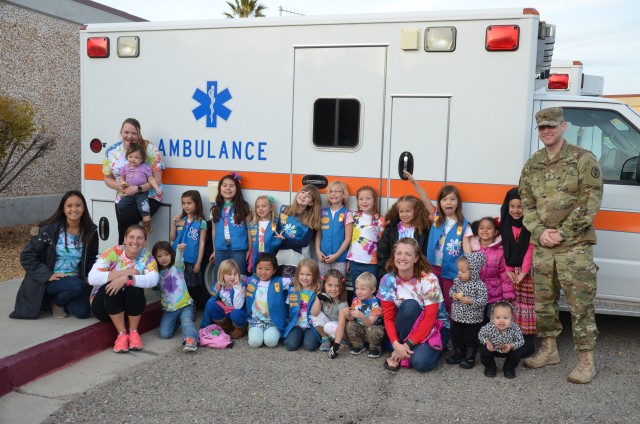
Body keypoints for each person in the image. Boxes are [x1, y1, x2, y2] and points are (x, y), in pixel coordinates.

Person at [519, 107, 603, 384]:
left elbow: (589, 202)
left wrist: (562, 234)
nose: (546, 131)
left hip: (575, 247)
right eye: (542, 128)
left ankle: (586, 362)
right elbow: (526, 204)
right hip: (543, 247)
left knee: (581, 305)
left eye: (551, 126)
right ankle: (549, 351)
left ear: (563, 127)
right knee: (544, 303)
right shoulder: (533, 164)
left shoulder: (582, 159)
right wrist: (541, 232)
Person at [10, 191, 98, 320]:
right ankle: (57, 303)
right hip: (51, 280)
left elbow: (91, 258)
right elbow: (27, 256)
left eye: (78, 205)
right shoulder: (49, 229)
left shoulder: (90, 231)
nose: (74, 209)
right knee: (75, 285)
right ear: (63, 209)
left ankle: (62, 298)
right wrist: (47, 275)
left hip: (75, 279)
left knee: (83, 312)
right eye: (69, 206)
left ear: (84, 208)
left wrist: (90, 277)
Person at [378, 237, 450, 373]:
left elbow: (430, 318)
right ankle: (404, 351)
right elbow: (388, 317)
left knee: (420, 363)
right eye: (399, 253)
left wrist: (407, 344)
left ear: (416, 258)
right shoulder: (387, 280)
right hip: (408, 325)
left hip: (435, 326)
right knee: (409, 306)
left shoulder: (429, 279)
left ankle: (409, 351)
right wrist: (396, 343)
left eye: (408, 254)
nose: (402, 257)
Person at [88, 224, 159, 353]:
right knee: (113, 286)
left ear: (145, 241)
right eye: (131, 237)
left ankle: (133, 333)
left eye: (140, 238)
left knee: (135, 287)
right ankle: (121, 334)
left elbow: (153, 280)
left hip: (128, 309)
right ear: (125, 239)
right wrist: (124, 273)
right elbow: (92, 278)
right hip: (103, 306)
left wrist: (127, 278)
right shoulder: (113, 252)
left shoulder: (147, 258)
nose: (135, 241)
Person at [103, 118, 164, 244]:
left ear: (139, 134)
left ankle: (128, 256)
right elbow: (107, 178)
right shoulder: (111, 151)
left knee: (126, 222)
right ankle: (125, 258)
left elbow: (157, 179)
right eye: (126, 132)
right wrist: (119, 186)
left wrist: (137, 188)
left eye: (134, 133)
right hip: (123, 197)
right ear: (121, 132)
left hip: (149, 196)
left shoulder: (150, 150)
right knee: (124, 231)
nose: (129, 136)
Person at [426, 185, 473, 318]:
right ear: (439, 203)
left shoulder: (464, 226)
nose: (448, 202)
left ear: (458, 202)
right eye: (444, 199)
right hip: (433, 268)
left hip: (451, 271)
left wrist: (472, 271)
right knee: (432, 300)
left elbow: (468, 251)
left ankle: (450, 332)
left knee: (450, 302)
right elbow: (424, 199)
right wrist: (413, 182)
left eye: (452, 199)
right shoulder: (436, 218)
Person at [500, 187, 536, 358]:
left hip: (525, 273)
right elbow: (504, 249)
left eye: (520, 206)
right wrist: (508, 270)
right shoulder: (504, 225)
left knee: (527, 308)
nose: (515, 210)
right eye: (512, 206)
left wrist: (524, 271)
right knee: (512, 306)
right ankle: (510, 341)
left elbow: (529, 248)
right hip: (510, 271)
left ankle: (528, 343)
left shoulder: (529, 226)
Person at [152, 241, 198, 352]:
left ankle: (191, 340)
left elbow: (179, 259)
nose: (164, 258)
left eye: (167, 254)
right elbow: (157, 290)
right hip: (169, 309)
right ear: (155, 258)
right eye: (159, 256)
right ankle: (177, 321)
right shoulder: (156, 274)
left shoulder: (176, 267)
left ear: (171, 255)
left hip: (185, 304)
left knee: (187, 323)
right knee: (164, 334)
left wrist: (180, 251)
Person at [329, 272, 385, 359]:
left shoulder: (375, 305)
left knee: (375, 330)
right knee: (350, 324)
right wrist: (348, 315)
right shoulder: (356, 300)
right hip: (361, 329)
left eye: (363, 289)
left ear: (372, 290)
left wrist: (362, 316)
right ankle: (358, 345)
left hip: (372, 330)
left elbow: (369, 323)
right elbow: (352, 319)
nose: (358, 292)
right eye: (357, 288)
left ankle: (375, 348)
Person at [274, 184, 321, 289]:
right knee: (279, 286)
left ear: (312, 202)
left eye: (308, 196)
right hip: (281, 256)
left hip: (298, 258)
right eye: (303, 192)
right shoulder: (285, 211)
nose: (304, 196)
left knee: (294, 287)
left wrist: (285, 241)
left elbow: (305, 241)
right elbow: (277, 231)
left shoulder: (311, 218)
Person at [446, 253, 488, 369]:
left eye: (463, 271)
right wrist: (452, 295)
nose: (460, 273)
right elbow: (452, 290)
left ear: (473, 271)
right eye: (459, 270)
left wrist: (472, 301)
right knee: (456, 334)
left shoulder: (480, 286)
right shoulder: (458, 281)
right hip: (458, 315)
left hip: (473, 319)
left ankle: (470, 356)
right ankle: (459, 353)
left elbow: (484, 300)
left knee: (471, 337)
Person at [377, 195, 431, 282]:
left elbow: (426, 254)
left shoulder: (423, 230)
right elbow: (382, 253)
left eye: (408, 211)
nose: (404, 215)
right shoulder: (391, 229)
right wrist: (385, 275)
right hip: (394, 275)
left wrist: (423, 274)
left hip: (417, 275)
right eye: (401, 211)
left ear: (416, 211)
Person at [209, 173, 252, 278]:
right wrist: (214, 250)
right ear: (220, 189)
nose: (228, 188)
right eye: (224, 185)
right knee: (220, 277)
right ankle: (220, 295)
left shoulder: (244, 207)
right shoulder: (215, 209)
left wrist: (250, 250)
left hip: (239, 249)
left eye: (231, 186)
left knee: (239, 277)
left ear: (237, 189)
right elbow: (214, 230)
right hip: (220, 249)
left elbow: (249, 229)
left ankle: (238, 295)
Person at [170, 190, 209, 308]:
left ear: (197, 203)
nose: (186, 206)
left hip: (191, 259)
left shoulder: (201, 222)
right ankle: (182, 305)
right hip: (178, 258)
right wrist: (173, 224)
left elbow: (202, 243)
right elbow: (172, 238)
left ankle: (193, 305)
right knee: (180, 284)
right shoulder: (180, 220)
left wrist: (198, 262)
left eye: (189, 203)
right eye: (183, 203)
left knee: (192, 286)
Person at [470, 217, 515, 315]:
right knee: (476, 324)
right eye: (482, 228)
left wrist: (508, 294)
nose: (485, 230)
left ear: (495, 232)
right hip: (475, 296)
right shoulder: (472, 249)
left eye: (489, 228)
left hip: (494, 296)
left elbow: (505, 275)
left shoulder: (500, 252)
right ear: (477, 231)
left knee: (494, 323)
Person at [115, 144, 162, 234]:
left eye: (136, 157)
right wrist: (122, 183)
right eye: (131, 156)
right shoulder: (125, 167)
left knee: (144, 208)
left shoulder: (145, 167)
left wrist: (157, 188)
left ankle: (147, 226)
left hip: (141, 193)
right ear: (127, 157)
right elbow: (121, 178)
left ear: (141, 159)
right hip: (129, 193)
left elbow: (151, 179)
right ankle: (132, 222)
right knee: (120, 205)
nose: (133, 159)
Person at [245, 253, 287, 348]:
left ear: (274, 270)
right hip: (256, 321)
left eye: (267, 269)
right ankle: (252, 329)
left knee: (271, 342)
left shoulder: (280, 281)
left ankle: (273, 332)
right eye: (260, 268)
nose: (263, 272)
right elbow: (239, 279)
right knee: (254, 343)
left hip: (273, 322)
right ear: (255, 268)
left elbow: (296, 281)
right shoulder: (251, 280)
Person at [346, 186, 385, 285]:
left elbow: (382, 243)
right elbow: (348, 239)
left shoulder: (380, 220)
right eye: (361, 199)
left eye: (368, 198)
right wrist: (348, 260)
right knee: (357, 290)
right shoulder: (353, 216)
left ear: (374, 200)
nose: (364, 201)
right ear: (358, 202)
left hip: (371, 263)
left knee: (371, 290)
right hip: (354, 261)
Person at [201, 259, 247, 339]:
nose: (233, 277)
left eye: (235, 274)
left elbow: (238, 306)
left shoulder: (241, 285)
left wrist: (237, 287)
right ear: (222, 275)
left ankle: (240, 328)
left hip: (239, 311)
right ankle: (225, 325)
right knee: (211, 304)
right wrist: (204, 326)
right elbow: (212, 302)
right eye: (229, 274)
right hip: (227, 311)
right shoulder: (219, 286)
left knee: (236, 313)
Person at [478, 301, 526, 379]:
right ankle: (490, 366)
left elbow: (521, 341)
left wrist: (511, 345)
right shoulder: (489, 327)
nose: (501, 321)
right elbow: (481, 335)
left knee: (518, 351)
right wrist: (487, 342)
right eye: (497, 317)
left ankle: (509, 367)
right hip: (492, 348)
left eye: (506, 318)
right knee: (483, 349)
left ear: (512, 318)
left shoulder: (515, 328)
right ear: (492, 317)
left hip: (508, 349)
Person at [315, 180, 354, 276]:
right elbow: (319, 235)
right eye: (330, 192)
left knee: (338, 285)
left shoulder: (347, 213)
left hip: (339, 259)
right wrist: (317, 251)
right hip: (323, 257)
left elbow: (348, 238)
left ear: (344, 195)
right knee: (323, 285)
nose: (333, 194)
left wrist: (337, 255)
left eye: (337, 191)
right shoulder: (322, 212)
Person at [283, 258, 322, 351]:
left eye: (308, 275)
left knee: (310, 346)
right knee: (290, 346)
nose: (304, 278)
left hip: (312, 326)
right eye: (301, 274)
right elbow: (288, 308)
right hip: (296, 324)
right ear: (297, 275)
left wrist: (319, 284)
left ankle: (306, 338)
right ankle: (298, 337)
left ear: (315, 276)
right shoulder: (293, 290)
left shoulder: (317, 291)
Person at [311, 269, 349, 351]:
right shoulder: (324, 297)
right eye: (330, 285)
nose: (333, 289)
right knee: (315, 316)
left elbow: (342, 325)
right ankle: (326, 338)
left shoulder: (342, 303)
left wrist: (336, 345)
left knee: (329, 326)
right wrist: (318, 298)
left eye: (337, 286)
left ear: (342, 286)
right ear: (324, 285)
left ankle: (342, 341)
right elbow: (314, 313)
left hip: (339, 329)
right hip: (328, 325)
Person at [248, 195, 282, 273]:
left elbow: (278, 240)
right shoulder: (253, 224)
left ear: (271, 208)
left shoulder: (276, 223)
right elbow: (252, 244)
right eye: (258, 207)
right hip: (257, 255)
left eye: (264, 206)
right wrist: (251, 259)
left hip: (271, 256)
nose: (260, 209)